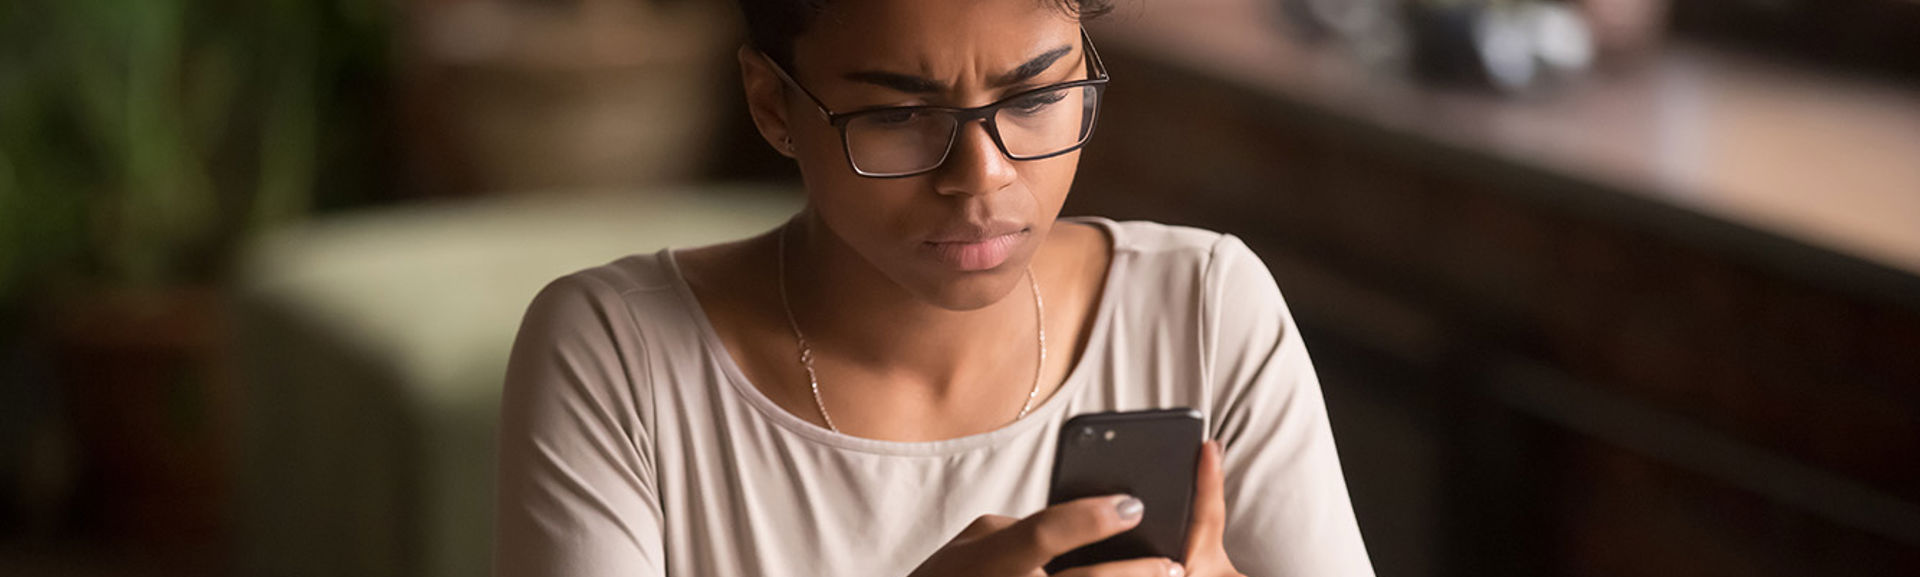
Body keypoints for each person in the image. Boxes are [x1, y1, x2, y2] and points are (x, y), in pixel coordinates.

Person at [494, 0, 1375, 574]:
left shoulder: (1204, 309)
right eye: (901, 116)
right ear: (772, 105)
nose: (982, 178)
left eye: (1035, 97)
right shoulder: (618, 356)